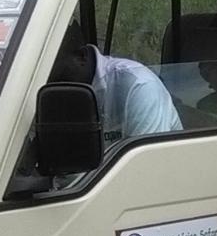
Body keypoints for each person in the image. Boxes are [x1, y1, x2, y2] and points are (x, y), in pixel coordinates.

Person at [54, 23, 182, 150]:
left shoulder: (138, 85)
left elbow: (148, 163)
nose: (51, 82)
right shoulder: (62, 94)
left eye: (56, 73)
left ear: (82, 57)